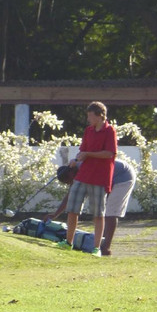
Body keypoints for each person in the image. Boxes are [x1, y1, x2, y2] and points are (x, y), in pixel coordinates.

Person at [58, 101, 117, 255]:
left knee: (98, 214)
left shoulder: (110, 131)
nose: (88, 119)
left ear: (99, 116)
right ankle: (68, 242)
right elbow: (82, 150)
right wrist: (76, 160)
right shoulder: (88, 130)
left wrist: (88, 154)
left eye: (90, 116)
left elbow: (109, 153)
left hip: (100, 177)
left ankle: (96, 248)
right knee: (72, 208)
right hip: (83, 175)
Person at [49, 156, 135, 257]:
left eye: (69, 181)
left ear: (71, 173)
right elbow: (71, 196)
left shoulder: (83, 168)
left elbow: (71, 196)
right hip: (109, 176)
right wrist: (55, 214)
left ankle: (105, 248)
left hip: (123, 176)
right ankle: (101, 242)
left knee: (111, 213)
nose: (70, 184)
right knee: (105, 211)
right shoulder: (75, 171)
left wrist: (55, 214)